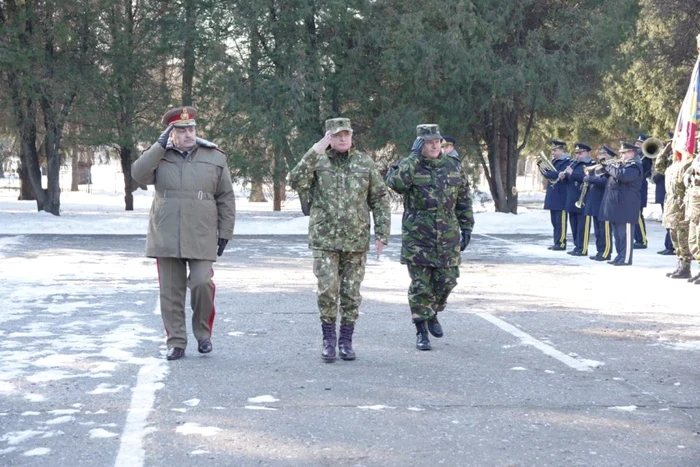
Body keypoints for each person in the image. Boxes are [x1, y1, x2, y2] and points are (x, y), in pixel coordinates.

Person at [132, 106, 236, 360]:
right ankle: (176, 342)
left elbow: (226, 197)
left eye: (191, 129)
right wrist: (158, 147)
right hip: (166, 232)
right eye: (181, 130)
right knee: (170, 291)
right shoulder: (159, 155)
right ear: (171, 132)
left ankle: (203, 335)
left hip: (201, 232)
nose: (188, 134)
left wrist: (225, 232)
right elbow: (138, 175)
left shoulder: (214, 156)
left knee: (202, 282)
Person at [288, 118, 390, 362]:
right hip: (325, 239)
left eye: (347, 134)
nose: (343, 138)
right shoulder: (318, 161)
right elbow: (294, 181)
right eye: (337, 135)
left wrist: (382, 233)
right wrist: (314, 152)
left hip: (356, 241)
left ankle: (346, 340)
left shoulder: (364, 163)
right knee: (327, 290)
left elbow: (379, 198)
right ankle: (328, 340)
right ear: (328, 138)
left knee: (351, 293)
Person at [385, 124, 474, 351]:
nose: (434, 146)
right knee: (420, 286)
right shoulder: (409, 166)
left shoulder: (453, 166)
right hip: (418, 239)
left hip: (447, 236)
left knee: (448, 280)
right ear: (419, 145)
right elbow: (395, 184)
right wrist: (414, 157)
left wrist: (466, 227)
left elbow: (463, 199)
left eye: (437, 141)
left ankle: (433, 310)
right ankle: (421, 331)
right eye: (428, 142)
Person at [599, 141, 643, 266]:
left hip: (627, 204)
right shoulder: (623, 165)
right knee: (618, 234)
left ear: (631, 153)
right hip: (617, 204)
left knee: (626, 234)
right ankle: (620, 255)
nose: (621, 155)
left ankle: (626, 258)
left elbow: (622, 176)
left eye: (624, 153)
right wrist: (606, 167)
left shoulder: (635, 166)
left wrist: (608, 166)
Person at [662, 147, 694, 279]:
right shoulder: (671, 167)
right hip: (671, 205)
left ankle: (686, 267)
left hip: (681, 207)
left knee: (683, 239)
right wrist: (663, 152)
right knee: (674, 237)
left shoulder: (687, 165)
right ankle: (680, 265)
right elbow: (658, 168)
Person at [561, 143, 595, 256]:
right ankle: (577, 246)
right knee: (574, 225)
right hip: (572, 199)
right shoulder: (574, 164)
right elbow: (569, 181)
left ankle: (583, 248)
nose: (578, 155)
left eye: (580, 153)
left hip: (583, 199)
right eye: (576, 153)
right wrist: (564, 177)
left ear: (587, 153)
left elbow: (585, 178)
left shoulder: (591, 164)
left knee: (582, 226)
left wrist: (572, 173)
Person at [538, 140, 571, 251]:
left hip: (561, 195)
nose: (553, 152)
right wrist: (542, 169)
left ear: (562, 150)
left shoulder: (567, 161)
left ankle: (561, 243)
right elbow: (549, 174)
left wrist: (549, 173)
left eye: (555, 150)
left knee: (560, 221)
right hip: (553, 195)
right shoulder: (554, 161)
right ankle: (556, 241)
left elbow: (563, 174)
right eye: (552, 150)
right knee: (554, 221)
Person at [583, 145, 615, 261]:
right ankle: (599, 251)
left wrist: (590, 179)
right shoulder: (598, 167)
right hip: (595, 202)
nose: (600, 155)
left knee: (604, 230)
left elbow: (606, 182)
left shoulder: (611, 167)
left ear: (609, 156)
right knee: (597, 230)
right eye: (600, 153)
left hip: (604, 202)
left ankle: (606, 253)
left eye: (603, 154)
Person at [652, 132, 675, 255]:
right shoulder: (668, 157)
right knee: (668, 222)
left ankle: (672, 246)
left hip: (674, 195)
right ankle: (669, 245)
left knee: (673, 223)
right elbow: (657, 171)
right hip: (667, 195)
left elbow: (657, 175)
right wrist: (664, 153)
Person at [633, 133, 652, 249]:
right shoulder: (636, 157)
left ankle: (642, 240)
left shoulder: (646, 158)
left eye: (640, 144)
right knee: (634, 215)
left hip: (640, 189)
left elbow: (644, 173)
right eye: (636, 143)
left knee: (638, 215)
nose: (637, 145)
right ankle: (637, 239)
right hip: (634, 189)